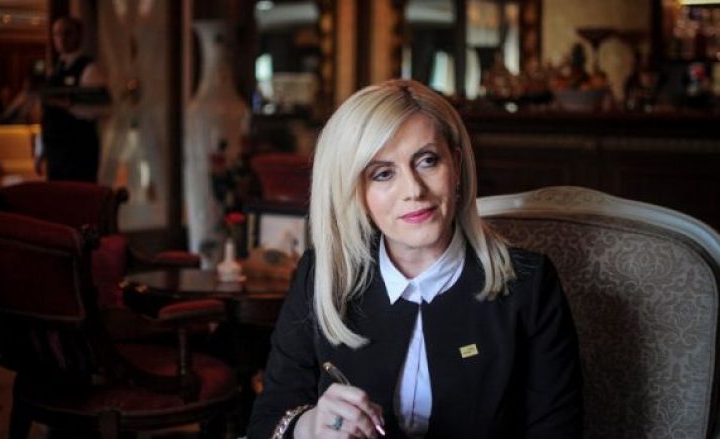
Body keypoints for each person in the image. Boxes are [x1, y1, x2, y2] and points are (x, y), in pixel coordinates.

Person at [248, 79, 583, 438]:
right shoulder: (323, 275)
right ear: (355, 192)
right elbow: (267, 421)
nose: (414, 190)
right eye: (383, 174)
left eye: (427, 161)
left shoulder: (528, 284)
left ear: (455, 165)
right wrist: (308, 427)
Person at [39, 16, 108, 182]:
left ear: (79, 35)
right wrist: (41, 150)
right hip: (55, 152)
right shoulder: (55, 70)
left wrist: (67, 104)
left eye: (67, 33)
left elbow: (101, 107)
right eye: (56, 34)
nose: (61, 38)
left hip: (79, 152)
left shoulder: (89, 69)